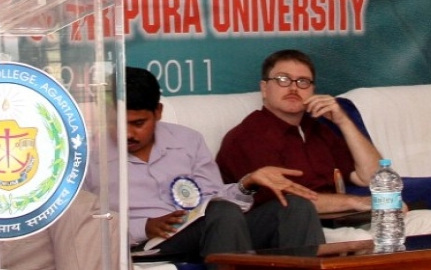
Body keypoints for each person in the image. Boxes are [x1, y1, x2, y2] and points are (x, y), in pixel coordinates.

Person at [216, 49, 431, 242]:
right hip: (293, 231)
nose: (293, 88)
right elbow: (287, 204)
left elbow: (372, 177)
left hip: (344, 222)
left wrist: (343, 121)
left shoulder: (318, 130)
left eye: (303, 82)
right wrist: (357, 202)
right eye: (283, 80)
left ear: (313, 90)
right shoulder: (248, 136)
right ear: (264, 88)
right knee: (359, 240)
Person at [95, 67, 323, 267]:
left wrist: (247, 183)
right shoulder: (90, 155)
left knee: (295, 207)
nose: (128, 133)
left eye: (138, 123)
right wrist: (143, 227)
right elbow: (86, 225)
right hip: (148, 244)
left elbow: (214, 198)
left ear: (158, 112)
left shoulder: (187, 140)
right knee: (222, 215)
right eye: (118, 123)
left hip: (209, 228)